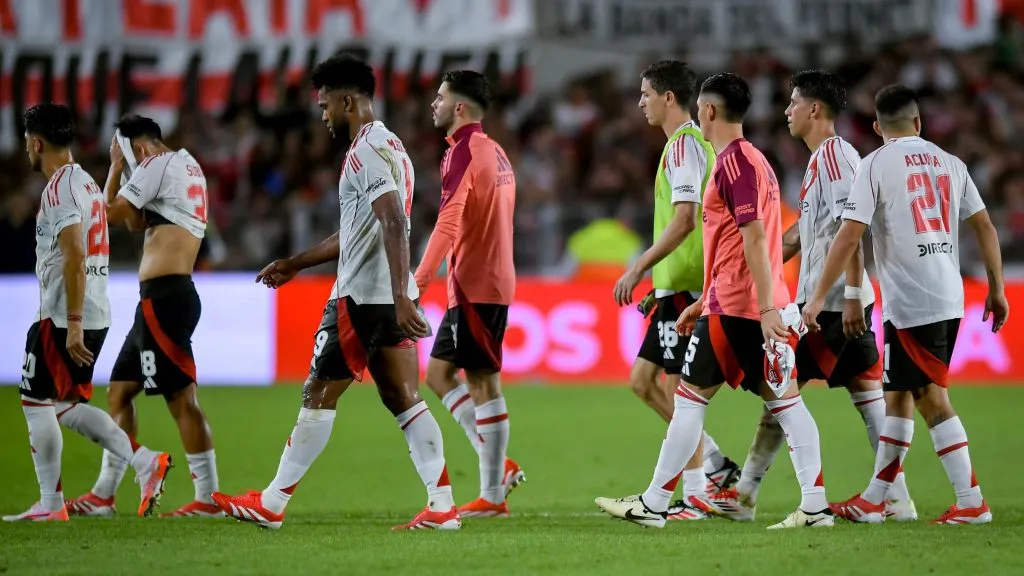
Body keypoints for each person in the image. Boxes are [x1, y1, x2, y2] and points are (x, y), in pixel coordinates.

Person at [211, 54, 460, 531]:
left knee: (318, 392)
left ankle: (272, 502)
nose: (322, 114)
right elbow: (360, 229)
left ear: (348, 102)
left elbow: (393, 219)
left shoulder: (366, 150)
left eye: (325, 104)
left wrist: (399, 296)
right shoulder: (392, 146)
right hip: (390, 293)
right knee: (404, 397)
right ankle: (442, 504)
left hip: (363, 297)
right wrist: (296, 263)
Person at [595, 73, 834, 530]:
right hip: (742, 303)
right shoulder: (756, 161)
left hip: (739, 309)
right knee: (786, 405)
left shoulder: (733, 164)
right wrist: (703, 300)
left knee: (687, 400)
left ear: (708, 111)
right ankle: (815, 506)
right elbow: (732, 246)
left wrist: (760, 308)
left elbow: (754, 238)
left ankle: (655, 503)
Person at [714, 70, 915, 522]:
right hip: (842, 302)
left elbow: (851, 227)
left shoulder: (836, 156)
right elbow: (805, 234)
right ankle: (897, 500)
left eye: (793, 102)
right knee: (868, 399)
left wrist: (850, 295)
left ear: (815, 109)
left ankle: (746, 494)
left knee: (780, 390)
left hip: (834, 305)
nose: (787, 111)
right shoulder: (821, 160)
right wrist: (752, 264)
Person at [804, 84, 1008, 525]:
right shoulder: (951, 163)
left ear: (877, 128)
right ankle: (876, 499)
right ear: (918, 122)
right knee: (897, 397)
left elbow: (849, 234)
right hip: (949, 294)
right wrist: (997, 288)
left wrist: (819, 296)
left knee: (931, 398)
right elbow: (985, 226)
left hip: (914, 300)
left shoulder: (875, 164)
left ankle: (971, 501)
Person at [6, 104, 170, 522]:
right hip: (94, 308)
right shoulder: (86, 183)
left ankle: (52, 503)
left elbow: (74, 255)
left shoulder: (59, 189)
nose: (25, 150)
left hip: (65, 314)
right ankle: (144, 462)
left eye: (26, 143)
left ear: (36, 143)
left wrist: (73, 323)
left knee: (36, 400)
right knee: (64, 404)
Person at [68, 114, 220, 518]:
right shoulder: (184, 164)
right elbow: (136, 223)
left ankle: (208, 498)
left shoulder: (155, 164)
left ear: (136, 148)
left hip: (167, 298)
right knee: (119, 391)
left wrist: (114, 168)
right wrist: (125, 172)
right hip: (157, 301)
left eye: (125, 154)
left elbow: (108, 214)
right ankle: (104, 494)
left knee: (181, 399)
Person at [607, 60, 738, 521]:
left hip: (688, 288)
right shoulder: (684, 145)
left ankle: (698, 490)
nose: (640, 102)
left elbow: (685, 219)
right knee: (645, 382)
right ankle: (714, 464)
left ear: (668, 98)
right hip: (674, 286)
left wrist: (639, 267)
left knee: (679, 389)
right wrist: (658, 283)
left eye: (646, 94)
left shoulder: (684, 146)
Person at [414, 70, 525, 518]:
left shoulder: (462, 152)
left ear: (459, 106)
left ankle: (492, 495)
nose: (434, 104)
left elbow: (448, 221)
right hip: (486, 279)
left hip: (478, 283)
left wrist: (419, 280)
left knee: (482, 382)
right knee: (439, 374)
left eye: (440, 97)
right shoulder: (495, 150)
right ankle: (496, 462)